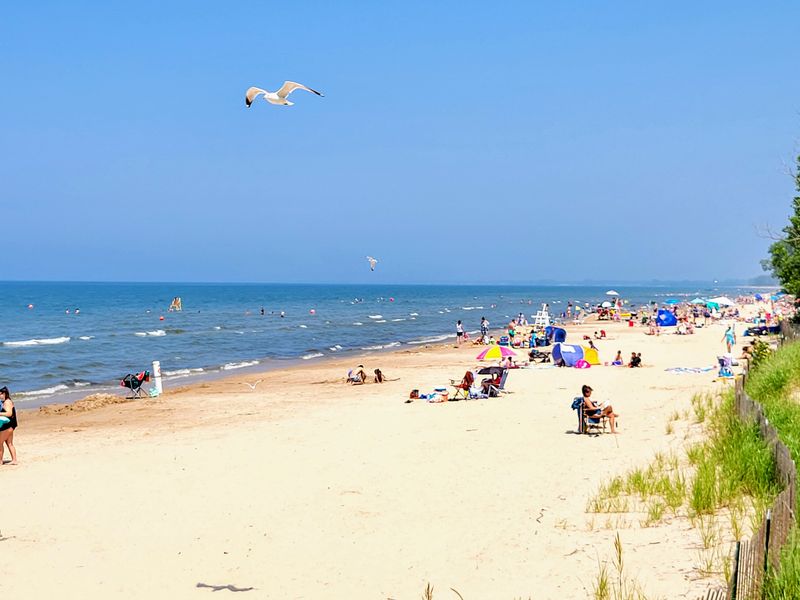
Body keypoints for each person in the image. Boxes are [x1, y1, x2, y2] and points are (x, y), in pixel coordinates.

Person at [0, 386, 18, 465]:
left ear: (4, 394)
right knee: (9, 443)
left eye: (0, 394)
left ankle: (0, 461)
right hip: (11, 425)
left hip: (8, 426)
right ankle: (14, 460)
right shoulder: (7, 401)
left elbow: (9, 413)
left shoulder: (7, 402)